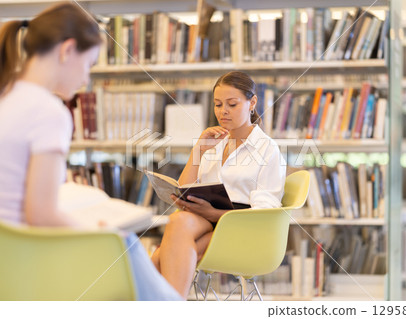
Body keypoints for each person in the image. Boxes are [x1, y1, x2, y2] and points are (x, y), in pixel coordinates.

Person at [0, 3, 181, 301]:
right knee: (123, 244)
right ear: (67, 50)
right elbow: (41, 213)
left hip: (10, 257)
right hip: (28, 259)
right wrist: (94, 231)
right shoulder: (48, 111)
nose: (85, 78)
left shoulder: (7, 96)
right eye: (88, 64)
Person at [151, 71, 287, 299]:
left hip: (243, 228)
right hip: (206, 220)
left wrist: (215, 214)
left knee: (161, 256)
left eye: (232, 104)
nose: (223, 111)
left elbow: (266, 213)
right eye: (218, 104)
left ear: (252, 102)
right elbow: (185, 186)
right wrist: (198, 150)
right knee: (177, 219)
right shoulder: (214, 142)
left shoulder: (267, 149)